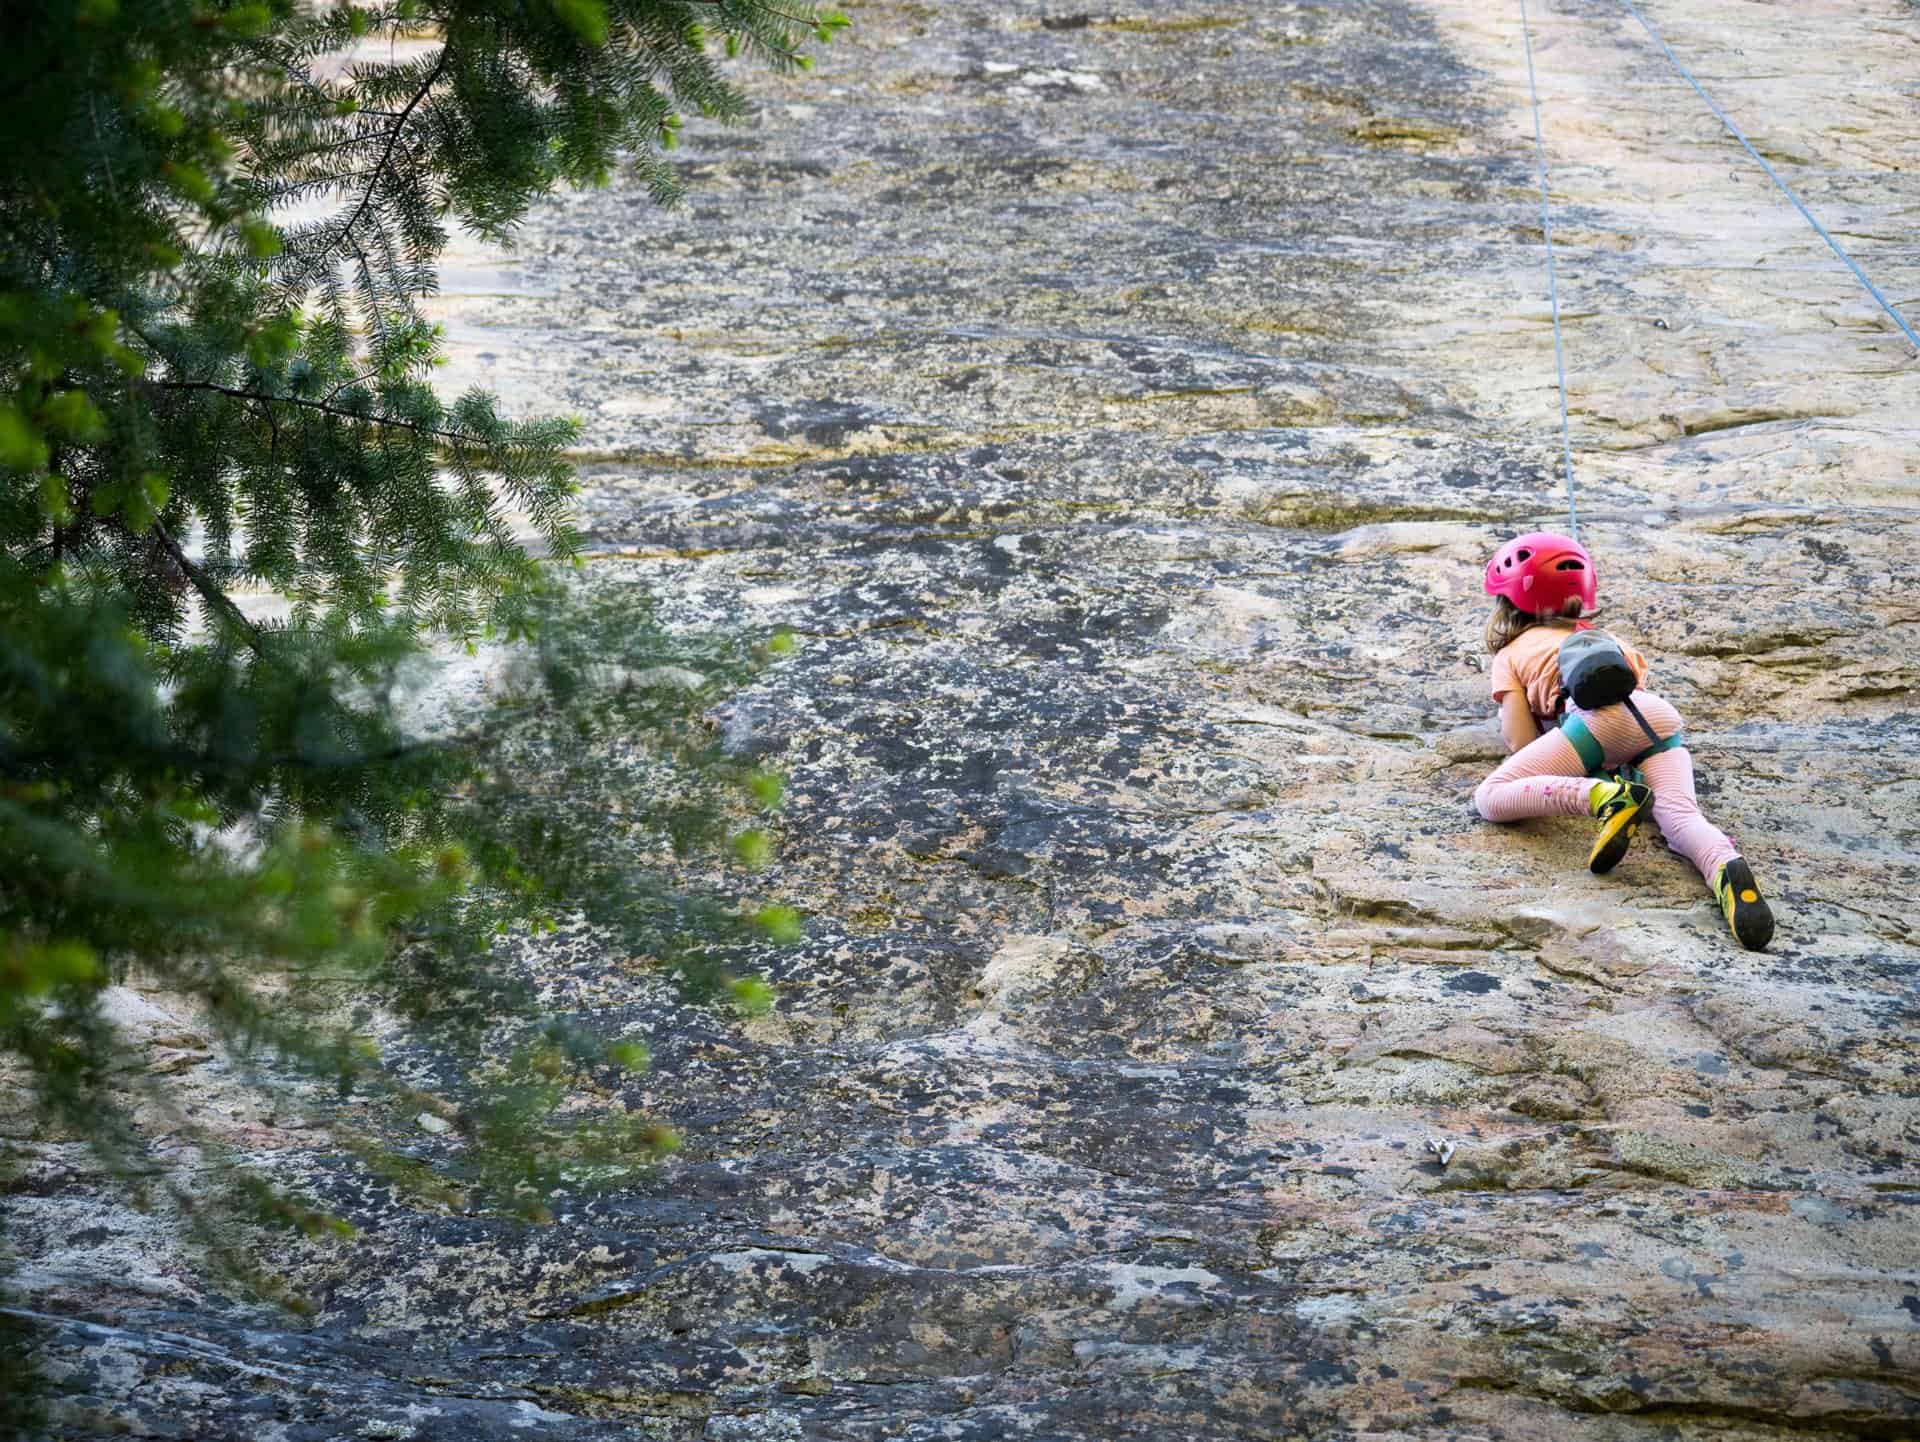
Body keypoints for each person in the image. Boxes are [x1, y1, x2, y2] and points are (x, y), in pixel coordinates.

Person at [1471, 531, 1774, 950]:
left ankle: (1604, 799)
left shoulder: (1511, 654)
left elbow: (1520, 740)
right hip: (1659, 721)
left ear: (1508, 602)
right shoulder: (1609, 641)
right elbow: (1632, 698)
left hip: (1596, 726)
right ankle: (1725, 864)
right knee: (1681, 817)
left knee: (1491, 797)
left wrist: (1578, 763)